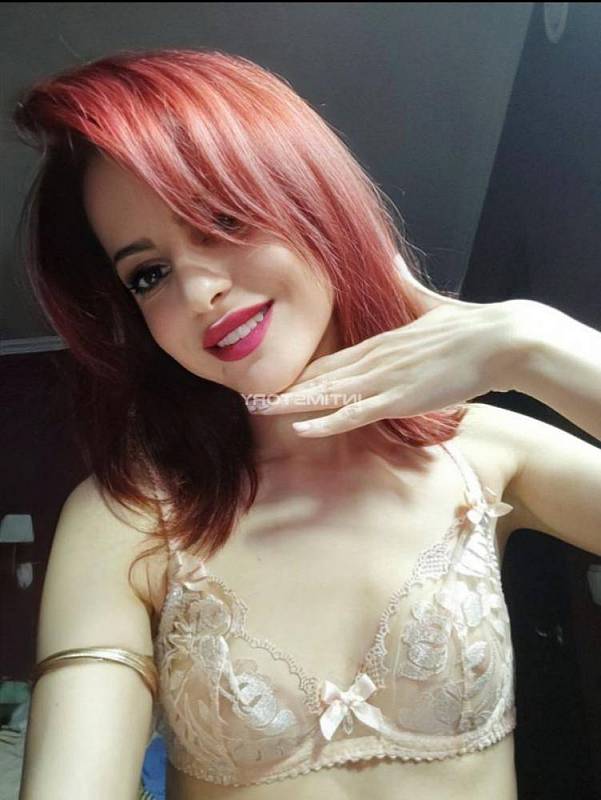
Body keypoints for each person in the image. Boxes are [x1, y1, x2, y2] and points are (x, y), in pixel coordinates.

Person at [15, 47, 601, 800]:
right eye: (148, 274)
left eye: (221, 218)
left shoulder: (482, 454)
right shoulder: (127, 518)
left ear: (308, 198)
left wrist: (535, 344)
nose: (198, 291)